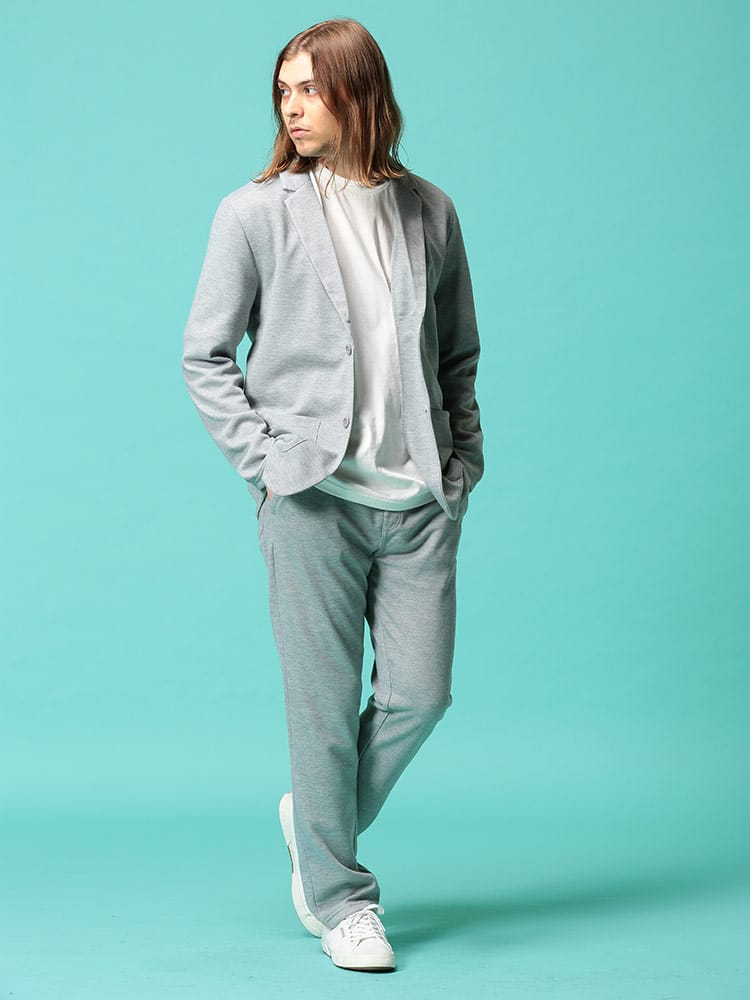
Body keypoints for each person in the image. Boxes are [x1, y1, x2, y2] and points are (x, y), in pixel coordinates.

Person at [181, 17, 483, 973]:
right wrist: (266, 463)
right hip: (312, 500)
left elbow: (458, 355)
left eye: (311, 88)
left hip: (418, 500)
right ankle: (342, 899)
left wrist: (460, 465)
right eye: (284, 91)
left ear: (361, 93)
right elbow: (205, 355)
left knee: (420, 696)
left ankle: (315, 820)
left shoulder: (430, 211)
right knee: (321, 713)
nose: (293, 107)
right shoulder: (253, 213)